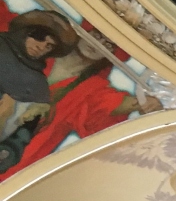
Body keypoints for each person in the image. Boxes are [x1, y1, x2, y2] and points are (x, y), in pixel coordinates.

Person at [1, 25, 162, 182]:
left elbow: (107, 105)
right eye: (97, 35)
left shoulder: (92, 88)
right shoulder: (41, 48)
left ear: (111, 54)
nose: (98, 43)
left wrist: (144, 103)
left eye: (108, 44)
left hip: (10, 159)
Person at [0, 10, 79, 172]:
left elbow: (21, 137)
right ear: (25, 31)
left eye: (49, 46)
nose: (41, 46)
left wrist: (7, 153)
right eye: (39, 37)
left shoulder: (39, 87)